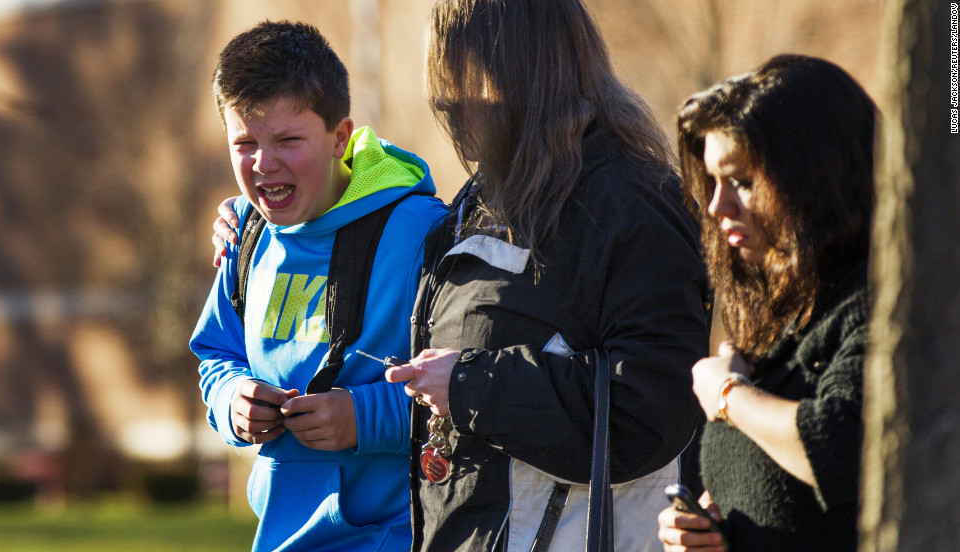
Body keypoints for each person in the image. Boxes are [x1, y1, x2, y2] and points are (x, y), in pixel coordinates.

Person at [380, 1, 711, 551]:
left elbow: (651, 405)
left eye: (467, 78)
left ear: (524, 72)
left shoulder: (631, 204)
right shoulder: (489, 194)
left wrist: (469, 384)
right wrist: (256, 221)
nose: (447, 103)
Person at [190, 21, 445, 552]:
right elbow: (216, 353)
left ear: (341, 137)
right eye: (244, 143)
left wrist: (364, 418)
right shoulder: (244, 233)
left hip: (401, 538)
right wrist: (231, 400)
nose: (264, 164)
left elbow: (479, 387)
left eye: (287, 140)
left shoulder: (421, 232)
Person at [656, 54, 876, 551]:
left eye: (741, 182)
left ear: (816, 178)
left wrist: (729, 396)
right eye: (712, 182)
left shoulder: (876, 300)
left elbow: (837, 446)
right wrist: (708, 534)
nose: (717, 207)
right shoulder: (787, 315)